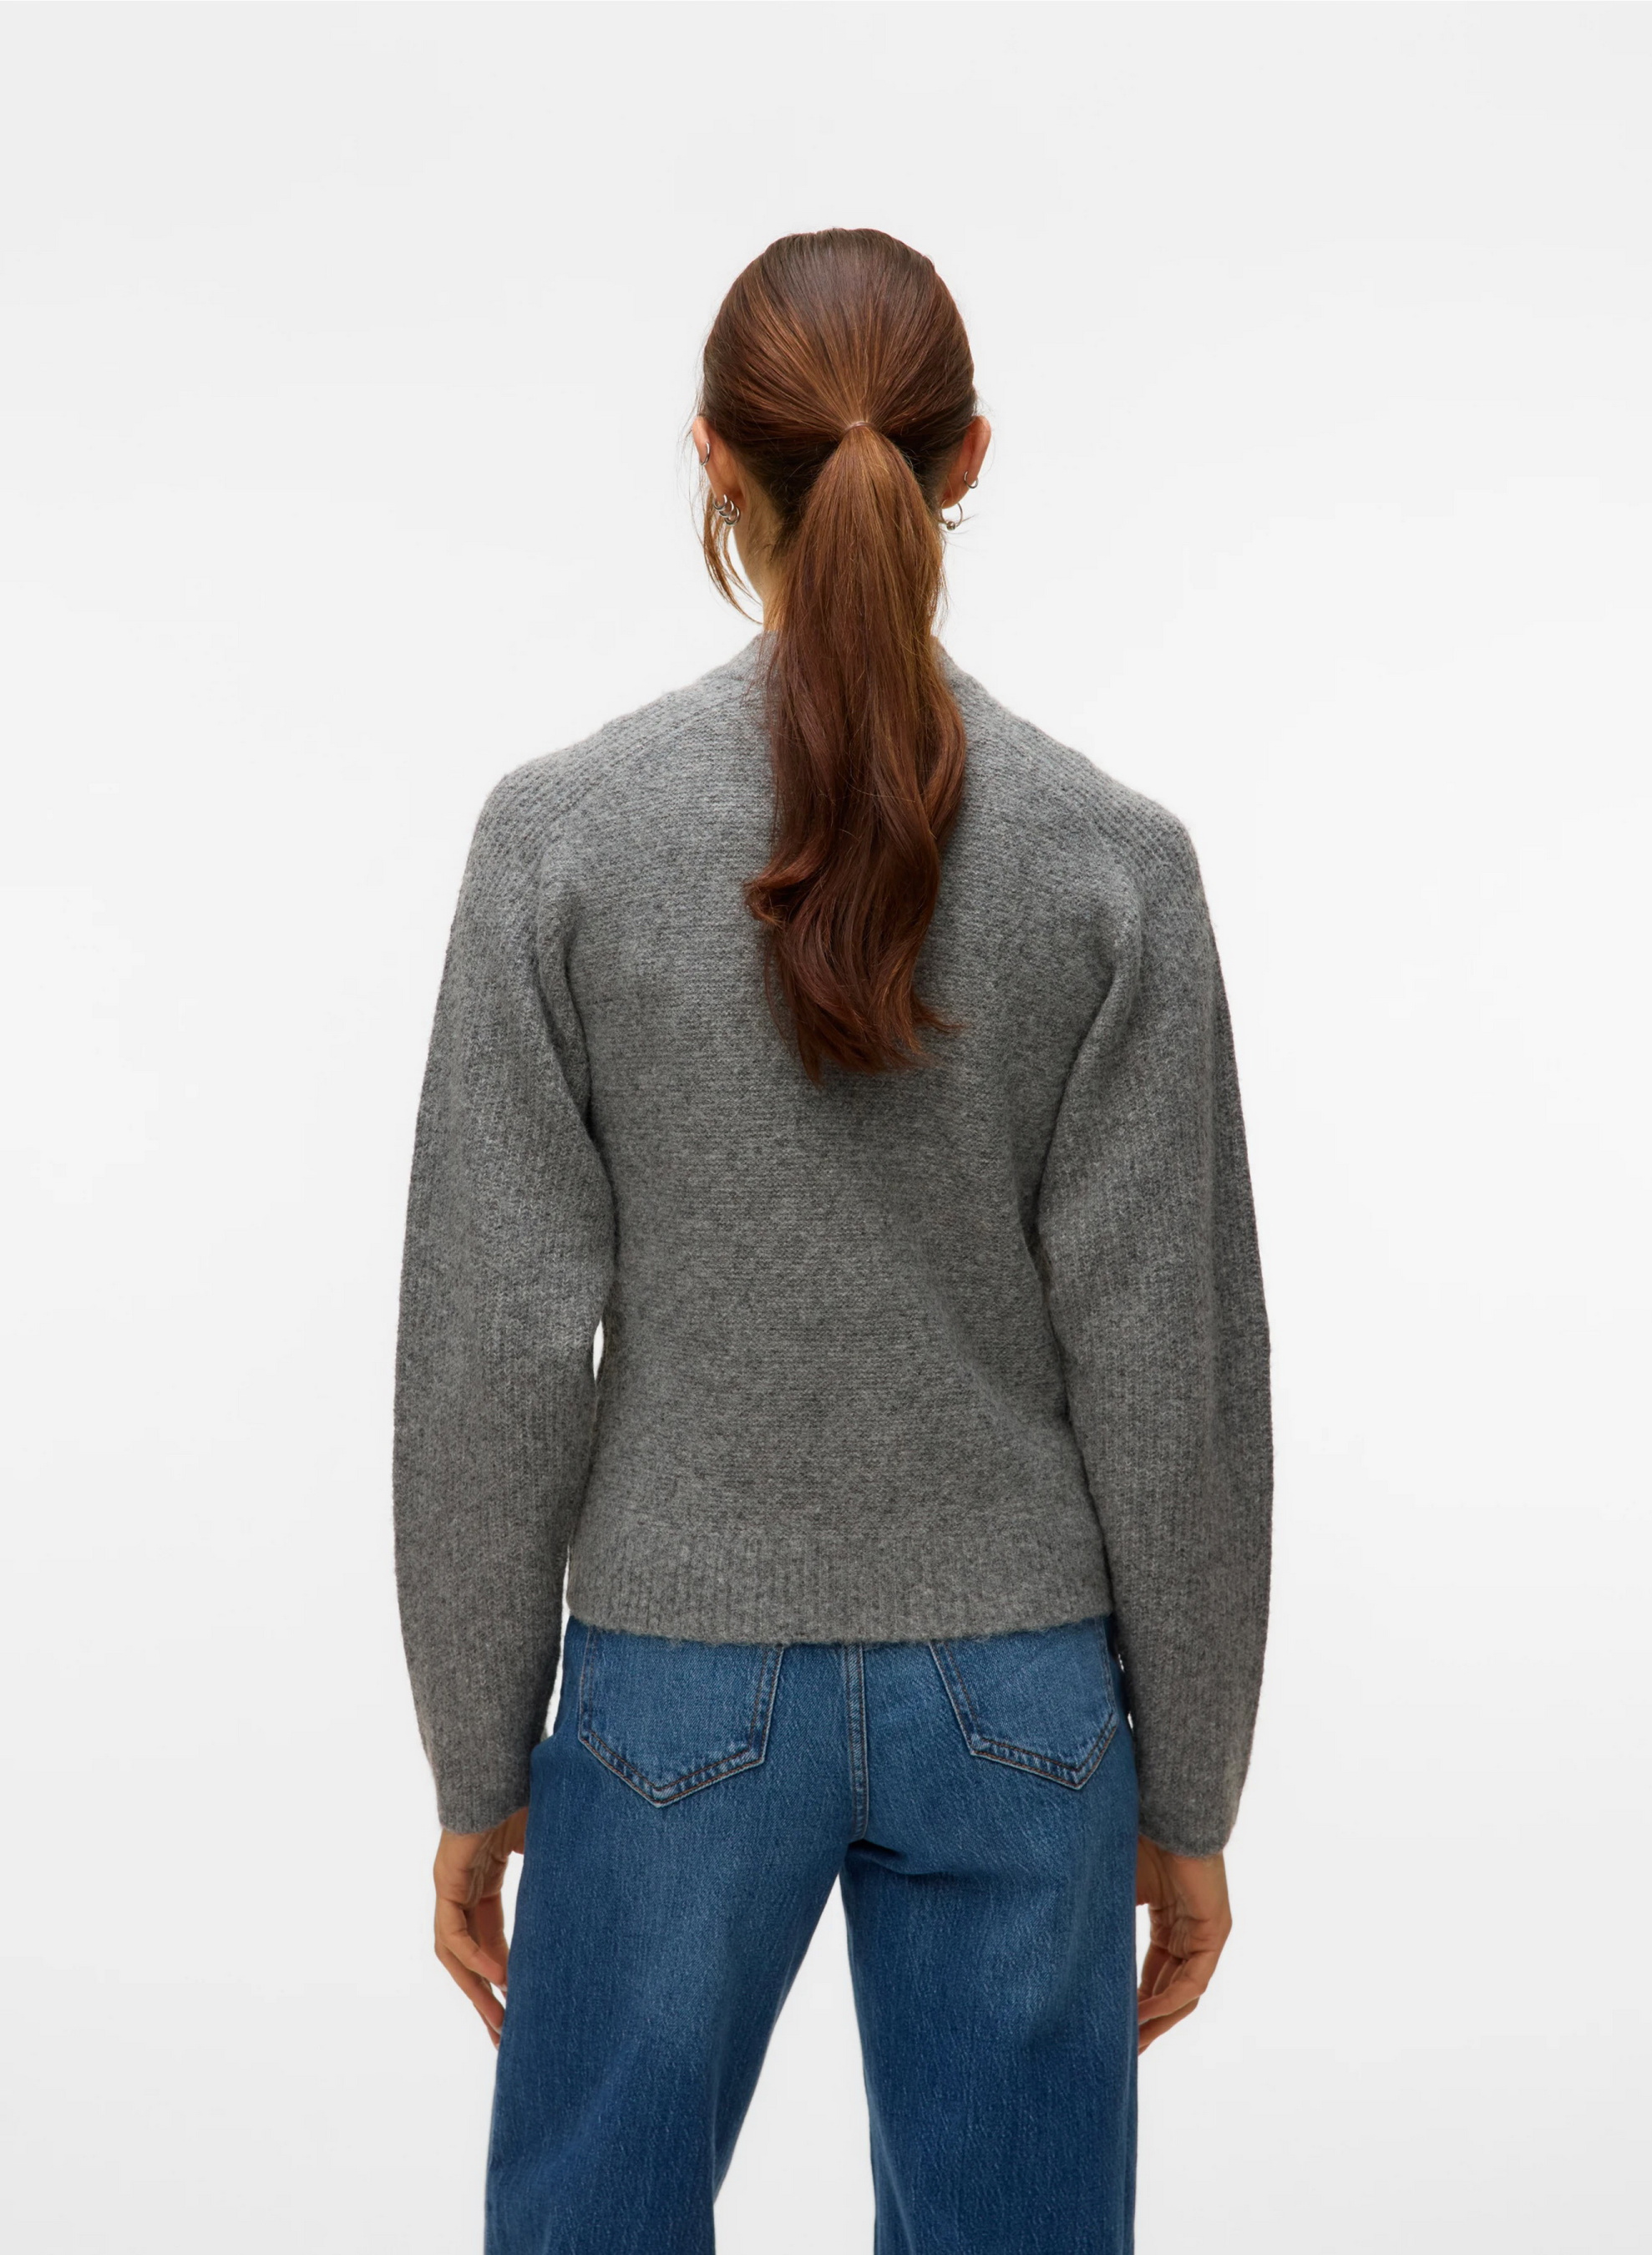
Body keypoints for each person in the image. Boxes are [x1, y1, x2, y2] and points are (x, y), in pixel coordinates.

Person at [393, 226, 1273, 2255]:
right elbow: (1168, 1372)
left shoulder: (563, 843)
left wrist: (472, 1757)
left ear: (713, 458)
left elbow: (492, 1348)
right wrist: (1192, 1794)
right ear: (965, 462)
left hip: (665, 1691)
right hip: (1023, 1701)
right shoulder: (1111, 869)